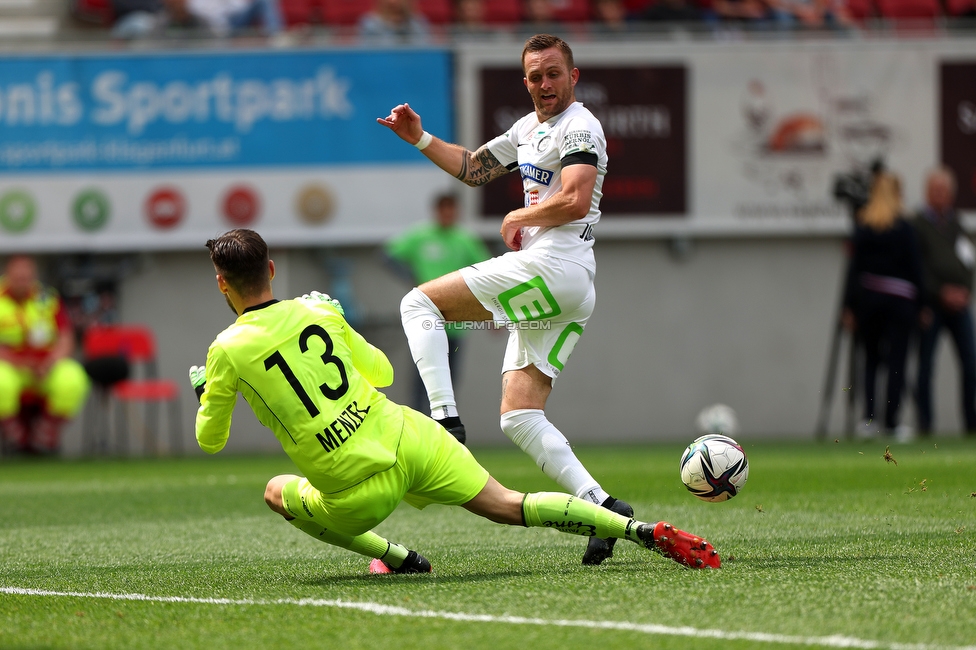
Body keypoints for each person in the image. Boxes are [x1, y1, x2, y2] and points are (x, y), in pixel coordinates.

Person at [189, 229, 720, 575]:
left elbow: (210, 441)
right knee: (509, 505)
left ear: (220, 285)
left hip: (354, 491)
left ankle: (395, 557)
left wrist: (209, 392)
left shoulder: (226, 350)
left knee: (276, 491)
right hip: (411, 436)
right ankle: (638, 529)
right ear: (273, 270)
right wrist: (337, 321)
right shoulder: (318, 311)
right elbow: (383, 372)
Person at [377, 34, 634, 566]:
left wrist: (522, 216)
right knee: (519, 416)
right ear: (525, 82)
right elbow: (473, 168)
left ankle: (445, 425)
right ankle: (605, 509)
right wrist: (420, 138)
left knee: (417, 305)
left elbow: (576, 197)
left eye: (553, 74)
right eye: (535, 76)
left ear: (573, 76)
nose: (544, 84)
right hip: (567, 286)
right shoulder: (526, 130)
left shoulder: (581, 125)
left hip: (555, 268)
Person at [384, 192, 491, 414]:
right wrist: (411, 278)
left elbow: (486, 272)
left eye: (452, 209)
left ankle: (444, 426)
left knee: (449, 380)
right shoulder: (421, 236)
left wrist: (490, 312)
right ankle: (418, 426)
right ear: (437, 211)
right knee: (422, 377)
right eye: (444, 209)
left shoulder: (464, 239)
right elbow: (388, 256)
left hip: (455, 323)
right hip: (426, 319)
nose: (448, 214)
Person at [841, 173, 922, 442]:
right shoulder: (905, 227)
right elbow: (915, 270)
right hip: (900, 304)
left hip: (870, 304)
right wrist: (922, 305)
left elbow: (854, 271)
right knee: (897, 362)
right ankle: (892, 422)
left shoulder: (864, 225)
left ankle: (868, 419)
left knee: (871, 361)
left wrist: (849, 306)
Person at [0, 255, 90, 454]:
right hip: (10, 366)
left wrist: (50, 363)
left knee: (72, 377)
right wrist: (17, 361)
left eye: (26, 277)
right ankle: (17, 437)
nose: (22, 281)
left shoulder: (47, 298)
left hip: (45, 366)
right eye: (17, 277)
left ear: (34, 276)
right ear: (7, 275)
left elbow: (66, 338)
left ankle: (44, 434)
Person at [912, 166, 976, 437]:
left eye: (944, 190)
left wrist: (964, 291)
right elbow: (918, 268)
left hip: (959, 306)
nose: (940, 195)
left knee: (970, 362)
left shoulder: (957, 224)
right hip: (931, 306)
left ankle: (970, 422)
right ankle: (925, 424)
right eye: (935, 190)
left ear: (951, 194)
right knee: (926, 365)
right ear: (927, 193)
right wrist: (941, 293)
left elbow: (968, 262)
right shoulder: (917, 225)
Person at [357, 0, 431, 44]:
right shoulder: (369, 24)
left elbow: (422, 52)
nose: (393, 2)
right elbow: (367, 55)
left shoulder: (418, 23)